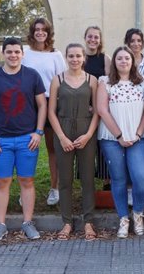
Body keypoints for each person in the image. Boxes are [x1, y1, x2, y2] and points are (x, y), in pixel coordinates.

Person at [0, 37, 46, 241]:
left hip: (28, 138)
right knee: (2, 181)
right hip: (1, 140)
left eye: (17, 52)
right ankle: (0, 225)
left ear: (22, 54)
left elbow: (42, 105)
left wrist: (38, 131)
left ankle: (27, 222)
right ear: (3, 54)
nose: (13, 55)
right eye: (9, 52)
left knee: (26, 180)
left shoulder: (32, 76)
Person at [97, 46, 144, 238]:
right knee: (118, 179)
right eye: (119, 58)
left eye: (127, 58)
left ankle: (137, 214)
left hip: (138, 138)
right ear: (114, 62)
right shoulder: (105, 82)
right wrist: (119, 136)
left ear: (132, 61)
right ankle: (123, 219)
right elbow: (102, 110)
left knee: (142, 178)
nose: (124, 61)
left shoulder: (142, 82)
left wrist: (137, 134)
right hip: (112, 138)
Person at [49, 43, 100, 241]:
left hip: (85, 132)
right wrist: (61, 137)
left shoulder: (92, 80)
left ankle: (88, 222)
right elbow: (51, 111)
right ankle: (67, 222)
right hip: (62, 131)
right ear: (66, 57)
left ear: (83, 58)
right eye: (71, 56)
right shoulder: (57, 80)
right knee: (65, 180)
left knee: (87, 179)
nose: (75, 59)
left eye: (78, 56)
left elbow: (96, 111)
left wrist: (88, 135)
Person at [21, 17, 66, 206]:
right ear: (32, 32)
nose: (40, 32)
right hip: (27, 102)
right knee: (26, 147)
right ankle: (24, 190)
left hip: (50, 102)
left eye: (44, 30)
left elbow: (62, 81)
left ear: (48, 33)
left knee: (52, 148)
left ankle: (54, 189)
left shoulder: (56, 55)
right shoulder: (24, 53)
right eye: (37, 29)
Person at [82, 26, 111, 190]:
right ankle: (87, 182)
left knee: (103, 144)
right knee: (86, 145)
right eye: (90, 37)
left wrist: (99, 107)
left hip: (100, 108)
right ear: (85, 38)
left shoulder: (104, 58)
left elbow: (107, 82)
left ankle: (107, 181)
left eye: (96, 37)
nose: (93, 40)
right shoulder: (80, 57)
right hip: (82, 108)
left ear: (100, 40)